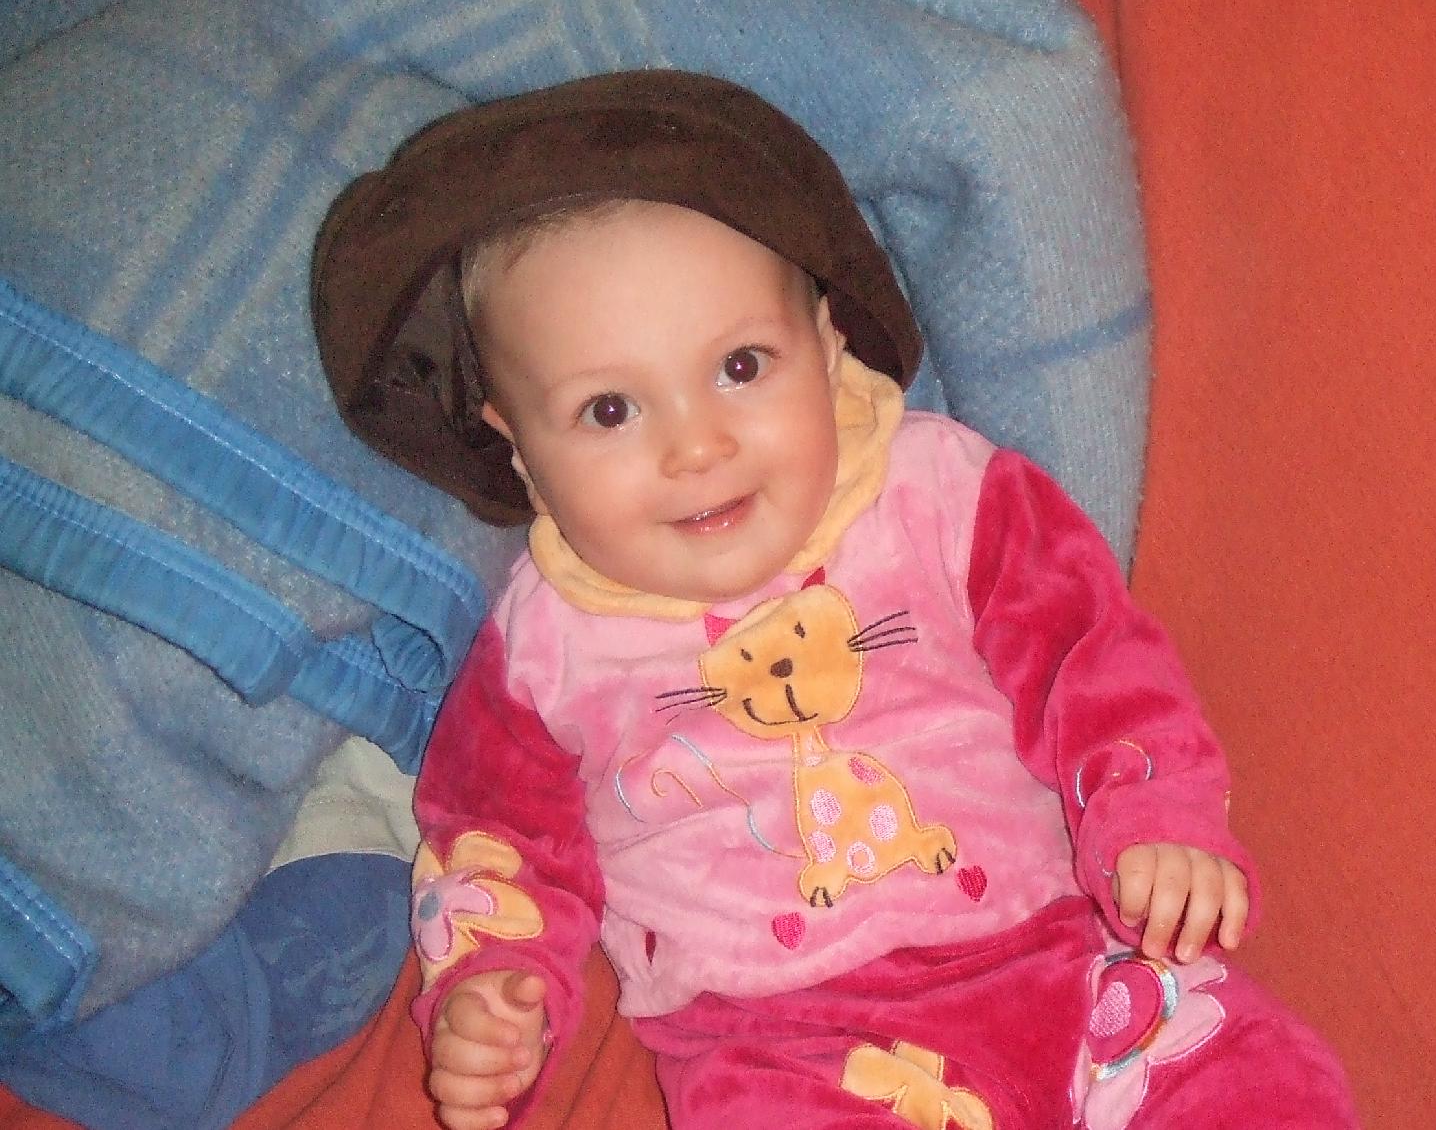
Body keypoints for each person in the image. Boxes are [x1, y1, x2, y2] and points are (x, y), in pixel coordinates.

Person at [311, 70, 1356, 1130]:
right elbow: (494, 834)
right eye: (610, 409)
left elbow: (1093, 658)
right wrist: (493, 986)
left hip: (1074, 964)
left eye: (741, 366)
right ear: (519, 447)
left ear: (826, 341)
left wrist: (1152, 817)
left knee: (1255, 1081)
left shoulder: (944, 495)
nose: (697, 446)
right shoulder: (545, 644)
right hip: (785, 1045)